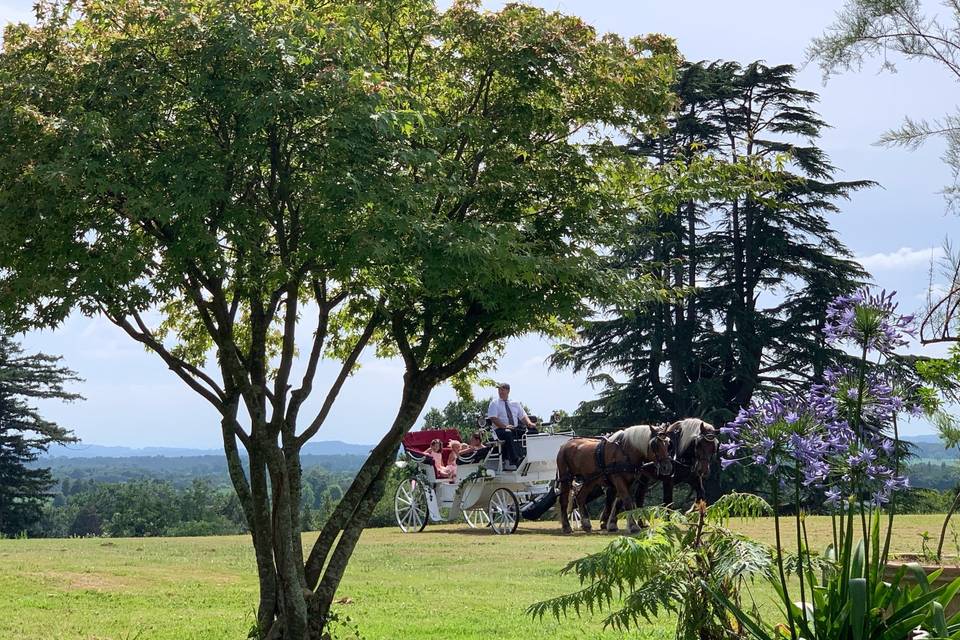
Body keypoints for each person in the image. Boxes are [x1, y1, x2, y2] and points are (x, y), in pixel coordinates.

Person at [486, 382, 538, 470]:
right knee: (508, 433)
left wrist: (529, 424)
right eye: (499, 390)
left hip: (514, 428)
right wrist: (505, 426)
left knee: (533, 431)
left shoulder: (515, 403)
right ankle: (514, 460)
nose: (500, 392)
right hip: (500, 430)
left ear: (508, 391)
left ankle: (533, 456)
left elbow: (523, 416)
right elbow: (493, 418)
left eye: (502, 389)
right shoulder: (494, 403)